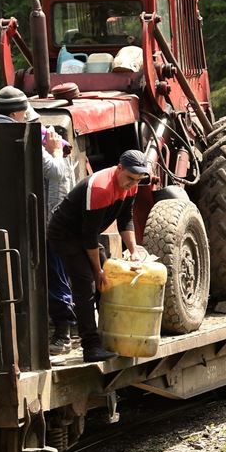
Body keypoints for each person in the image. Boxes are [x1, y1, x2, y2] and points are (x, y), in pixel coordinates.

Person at [45, 149, 149, 363]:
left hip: (85, 234)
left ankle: (109, 335)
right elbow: (89, 237)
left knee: (109, 280)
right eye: (130, 178)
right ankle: (91, 347)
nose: (132, 183)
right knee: (86, 284)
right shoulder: (101, 187)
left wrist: (134, 252)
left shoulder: (132, 185)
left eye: (137, 180)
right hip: (65, 234)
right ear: (119, 168)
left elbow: (125, 220)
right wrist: (97, 270)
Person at [41, 126, 79, 354]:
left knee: (58, 279)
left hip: (56, 230)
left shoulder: (59, 165)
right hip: (56, 229)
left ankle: (64, 333)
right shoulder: (59, 164)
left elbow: (58, 198)